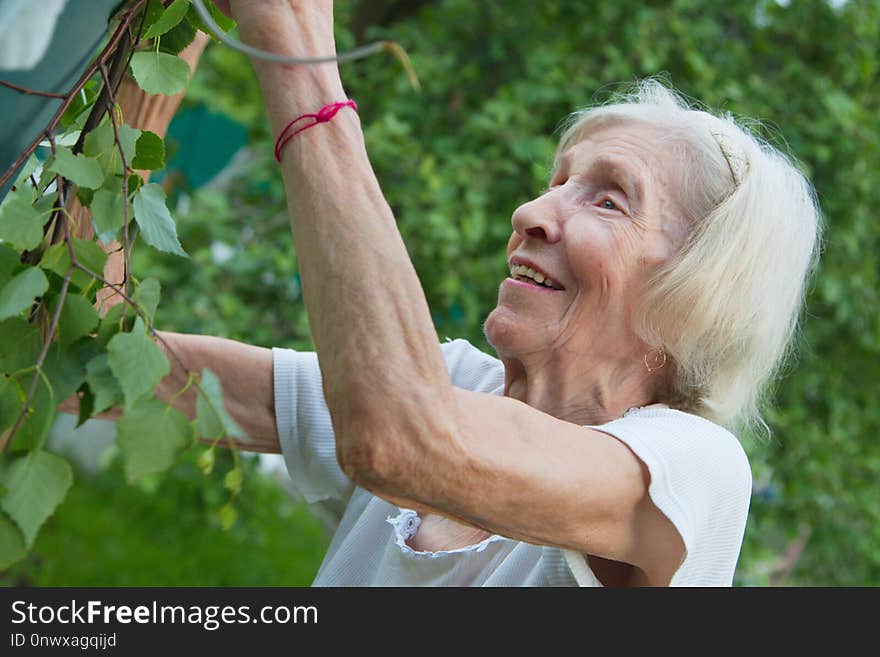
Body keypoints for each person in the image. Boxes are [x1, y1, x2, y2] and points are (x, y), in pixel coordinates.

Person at [119, 1, 822, 586]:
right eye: (557, 182)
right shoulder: (455, 383)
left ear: (700, 291)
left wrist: (296, 46)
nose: (531, 213)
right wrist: (169, 33)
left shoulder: (693, 471)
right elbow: (112, 361)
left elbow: (399, 439)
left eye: (607, 201)